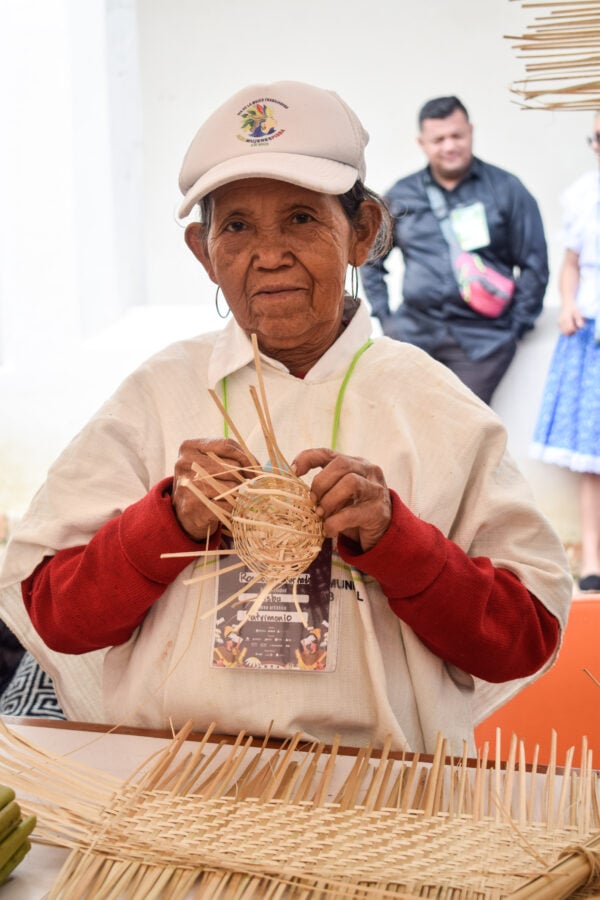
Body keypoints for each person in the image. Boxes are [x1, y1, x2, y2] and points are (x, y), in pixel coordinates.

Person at [0, 80, 571, 756]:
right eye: (236, 226)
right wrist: (166, 521)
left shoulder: (431, 405)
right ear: (203, 251)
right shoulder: (157, 396)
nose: (268, 254)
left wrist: (395, 537)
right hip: (170, 781)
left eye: (301, 218)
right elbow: (54, 615)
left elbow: (524, 636)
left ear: (362, 234)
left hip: (380, 796)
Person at [360, 95, 549, 404]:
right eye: (439, 139)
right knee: (407, 428)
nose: (449, 146)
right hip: (413, 336)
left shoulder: (506, 188)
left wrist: (515, 328)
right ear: (423, 143)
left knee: (462, 434)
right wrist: (386, 318)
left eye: (456, 135)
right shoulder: (403, 193)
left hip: (483, 344)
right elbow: (371, 257)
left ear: (470, 132)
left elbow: (534, 264)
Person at [531, 112, 600, 593]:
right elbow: (571, 264)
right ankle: (593, 560)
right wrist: (569, 304)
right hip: (591, 335)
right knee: (591, 461)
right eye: (597, 137)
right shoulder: (582, 195)